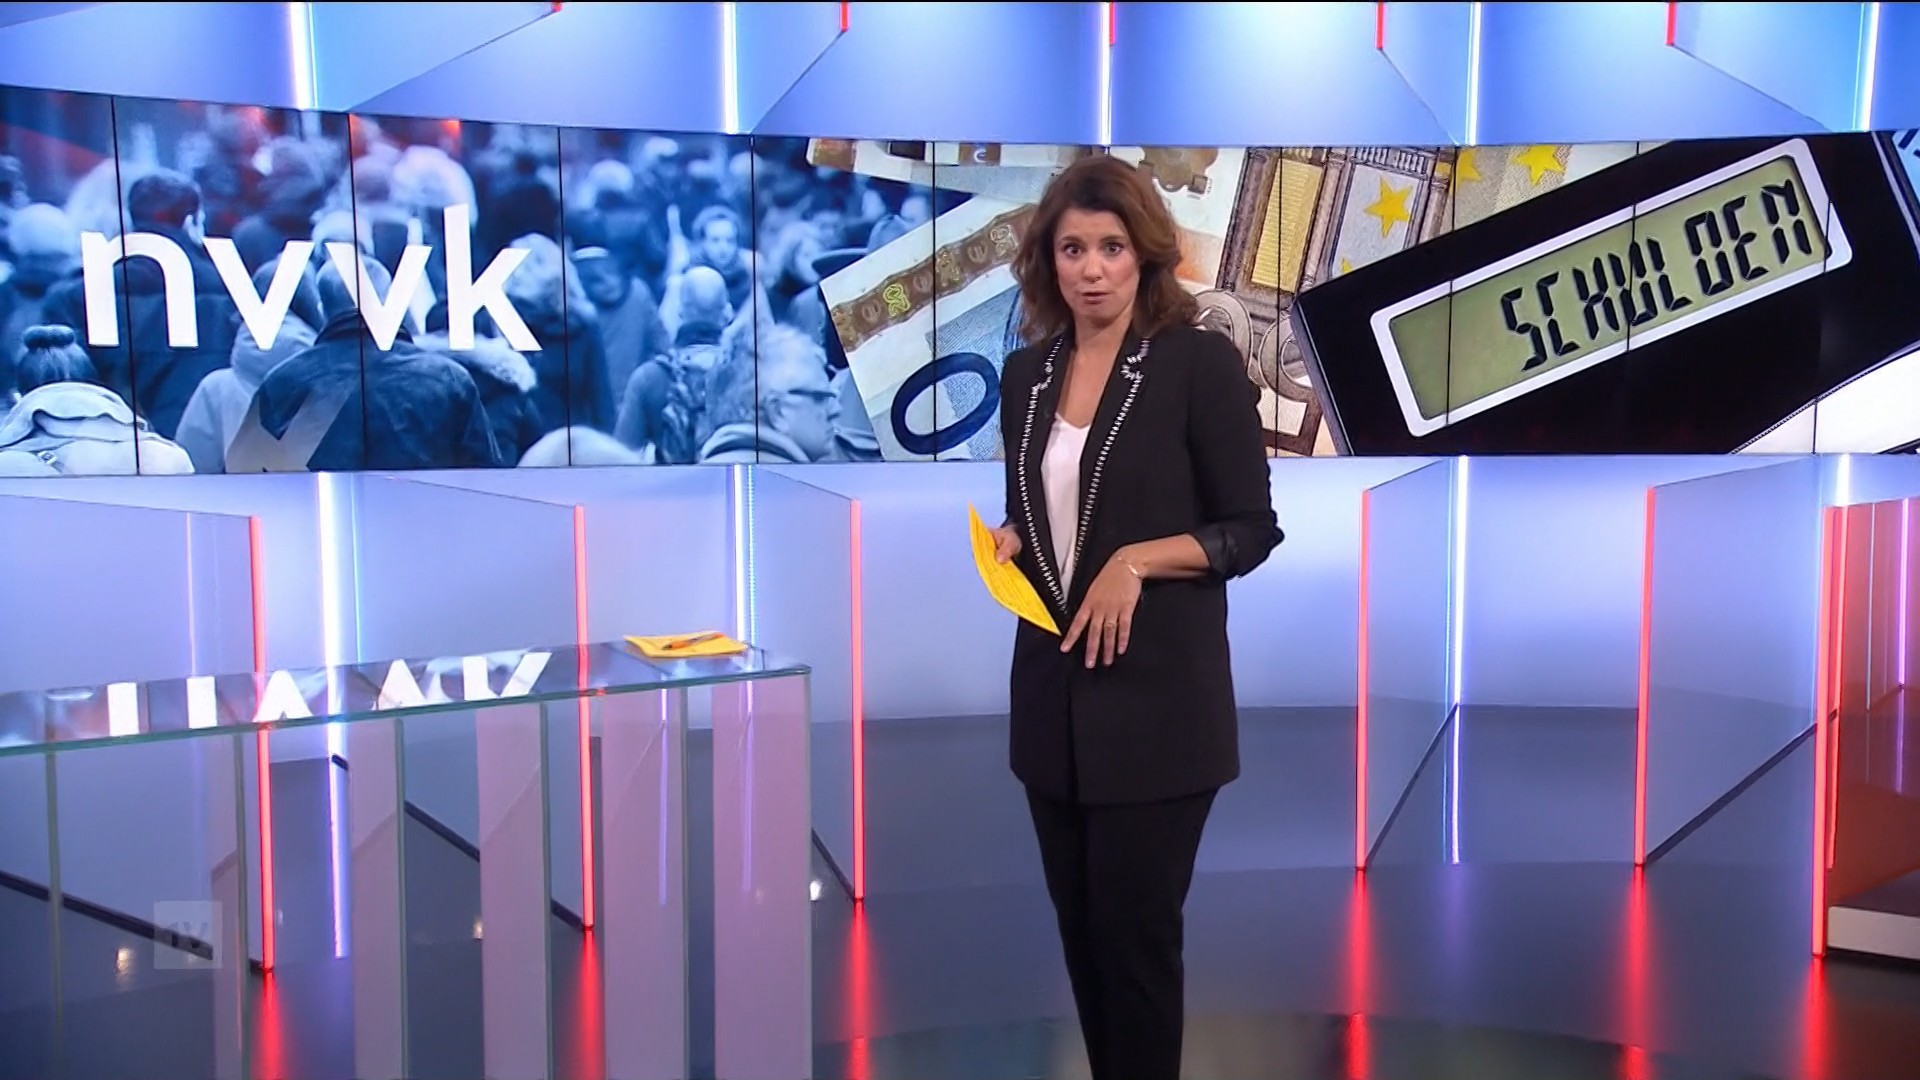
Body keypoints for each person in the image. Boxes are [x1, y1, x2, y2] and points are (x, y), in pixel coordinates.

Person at [985, 154, 1282, 1080]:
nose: (1092, 269)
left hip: (1158, 710)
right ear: (1049, 260)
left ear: (1145, 254)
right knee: (1083, 941)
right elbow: (1050, 513)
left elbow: (1250, 528)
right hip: (1053, 705)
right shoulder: (1026, 376)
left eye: (1110, 247)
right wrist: (1014, 537)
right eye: (1073, 249)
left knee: (1134, 944)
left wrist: (1135, 562)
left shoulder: (1197, 364)